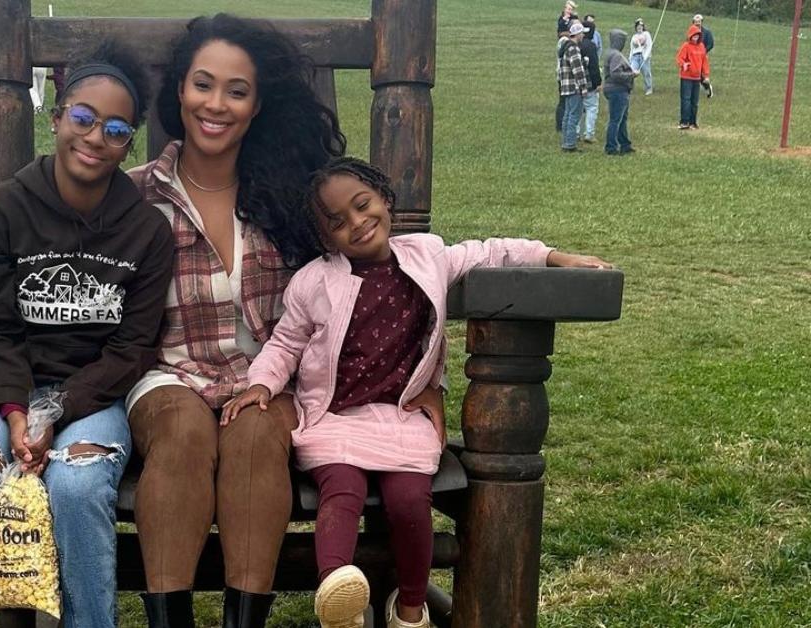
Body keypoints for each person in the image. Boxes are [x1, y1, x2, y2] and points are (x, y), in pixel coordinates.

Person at [223, 157, 613, 628]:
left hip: (401, 415)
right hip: (336, 417)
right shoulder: (315, 281)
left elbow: (491, 252)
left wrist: (555, 257)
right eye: (338, 222)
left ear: (385, 199)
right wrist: (262, 384)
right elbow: (285, 342)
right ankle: (339, 600)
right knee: (341, 492)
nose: (357, 223)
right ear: (326, 239)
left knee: (410, 499)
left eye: (363, 205)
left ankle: (410, 607)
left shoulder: (428, 256)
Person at [0, 42, 175, 628]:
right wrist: (14, 412)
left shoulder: (148, 234)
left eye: (113, 128)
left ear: (128, 141)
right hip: (3, 388)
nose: (93, 137)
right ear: (56, 116)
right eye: (81, 117)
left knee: (80, 490)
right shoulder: (0, 211)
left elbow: (131, 349)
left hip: (93, 395)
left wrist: (55, 410)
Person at [125, 13, 345, 627]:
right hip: (168, 376)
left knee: (251, 438)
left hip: (268, 380)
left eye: (236, 90)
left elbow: (375, 269)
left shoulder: (293, 197)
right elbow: (57, 255)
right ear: (179, 90)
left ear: (256, 105)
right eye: (202, 84)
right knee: (183, 432)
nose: (215, 104)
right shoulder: (134, 195)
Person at [603, 29, 638, 155]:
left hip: (615, 90)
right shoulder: (616, 55)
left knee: (621, 119)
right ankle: (611, 147)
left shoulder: (610, 53)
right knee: (616, 119)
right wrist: (631, 74)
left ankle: (625, 144)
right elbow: (616, 73)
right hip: (617, 90)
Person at [557, 20, 589, 151]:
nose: (583, 36)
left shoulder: (565, 47)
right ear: (577, 34)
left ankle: (565, 142)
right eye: (582, 33)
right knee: (574, 116)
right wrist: (584, 87)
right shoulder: (574, 48)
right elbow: (577, 70)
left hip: (566, 87)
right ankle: (570, 144)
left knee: (567, 115)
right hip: (574, 87)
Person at [676, 25, 710, 130]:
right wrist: (683, 64)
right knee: (686, 100)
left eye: (697, 35)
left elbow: (704, 62)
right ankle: (684, 122)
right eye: (694, 35)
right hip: (686, 77)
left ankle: (693, 122)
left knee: (694, 102)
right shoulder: (686, 46)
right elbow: (679, 58)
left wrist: (706, 75)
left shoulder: (702, 47)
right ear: (690, 36)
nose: (695, 37)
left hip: (696, 78)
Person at [578, 20, 602, 144]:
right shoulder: (591, 46)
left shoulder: (577, 44)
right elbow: (594, 66)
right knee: (592, 108)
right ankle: (589, 133)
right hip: (589, 83)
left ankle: (577, 132)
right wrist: (598, 82)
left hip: (577, 82)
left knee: (579, 108)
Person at [630, 18, 654, 95]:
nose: (639, 27)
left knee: (646, 73)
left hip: (644, 56)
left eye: (641, 26)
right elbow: (632, 48)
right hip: (635, 56)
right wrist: (630, 57)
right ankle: (629, 88)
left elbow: (649, 45)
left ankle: (649, 88)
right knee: (631, 72)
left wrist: (646, 56)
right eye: (638, 26)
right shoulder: (634, 36)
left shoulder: (646, 34)